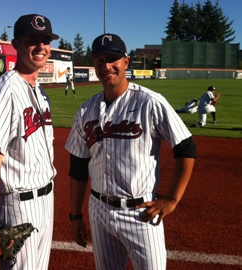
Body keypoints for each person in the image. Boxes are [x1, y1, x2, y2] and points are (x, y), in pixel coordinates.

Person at [65, 33, 196, 270]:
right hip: (99, 211)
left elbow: (186, 147)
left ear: (126, 61)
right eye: (99, 60)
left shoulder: (149, 102)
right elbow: (77, 166)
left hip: (141, 213)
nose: (106, 66)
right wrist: (75, 216)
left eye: (112, 58)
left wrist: (172, 199)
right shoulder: (86, 110)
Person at [0, 14, 58, 270]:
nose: (41, 47)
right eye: (32, 40)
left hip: (46, 198)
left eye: (45, 41)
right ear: (17, 44)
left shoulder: (40, 92)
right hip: (19, 205)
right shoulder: (5, 91)